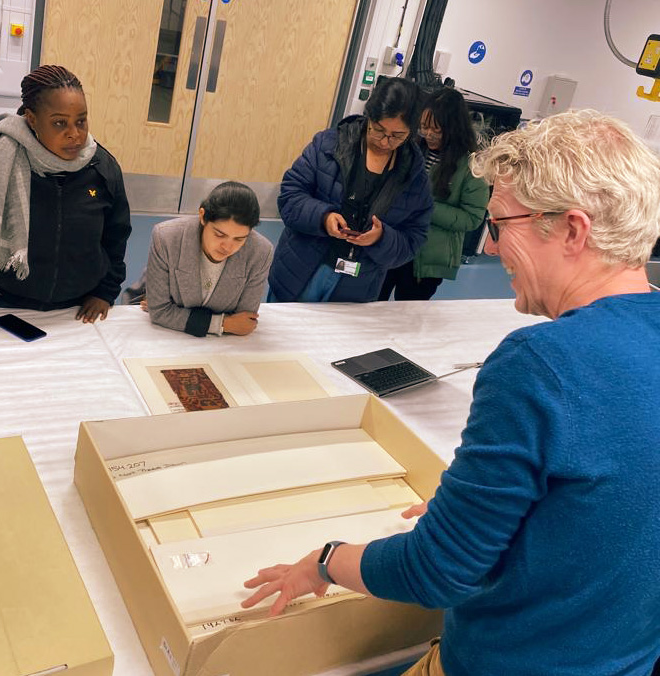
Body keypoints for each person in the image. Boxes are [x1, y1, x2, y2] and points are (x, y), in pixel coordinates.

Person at [241, 110, 660, 676]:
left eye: (499, 224)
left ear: (572, 230)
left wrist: (324, 561)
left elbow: (438, 569)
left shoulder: (540, 365)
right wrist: (483, 503)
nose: (487, 249)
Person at [0, 64, 131, 322]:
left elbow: (116, 235)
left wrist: (105, 292)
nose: (74, 134)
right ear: (32, 119)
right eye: (59, 123)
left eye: (81, 121)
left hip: (72, 309)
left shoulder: (103, 167)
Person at [267, 77, 433, 303]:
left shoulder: (415, 177)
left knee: (336, 337)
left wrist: (382, 238)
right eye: (378, 130)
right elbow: (290, 196)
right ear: (369, 117)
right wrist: (323, 218)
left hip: (357, 285)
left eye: (397, 136)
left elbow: (414, 238)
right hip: (300, 270)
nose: (385, 142)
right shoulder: (328, 145)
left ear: (412, 133)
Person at [379, 87, 488, 300]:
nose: (428, 134)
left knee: (406, 318)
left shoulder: (471, 166)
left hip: (427, 259)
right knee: (371, 305)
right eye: (423, 127)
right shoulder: (410, 150)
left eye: (436, 130)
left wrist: (425, 207)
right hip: (394, 244)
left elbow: (473, 217)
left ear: (453, 128)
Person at [145, 181, 273, 337]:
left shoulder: (261, 252)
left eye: (239, 239)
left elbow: (244, 321)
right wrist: (223, 323)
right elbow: (159, 311)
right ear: (202, 216)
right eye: (220, 235)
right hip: (164, 336)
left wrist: (179, 314)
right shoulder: (167, 237)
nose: (227, 247)